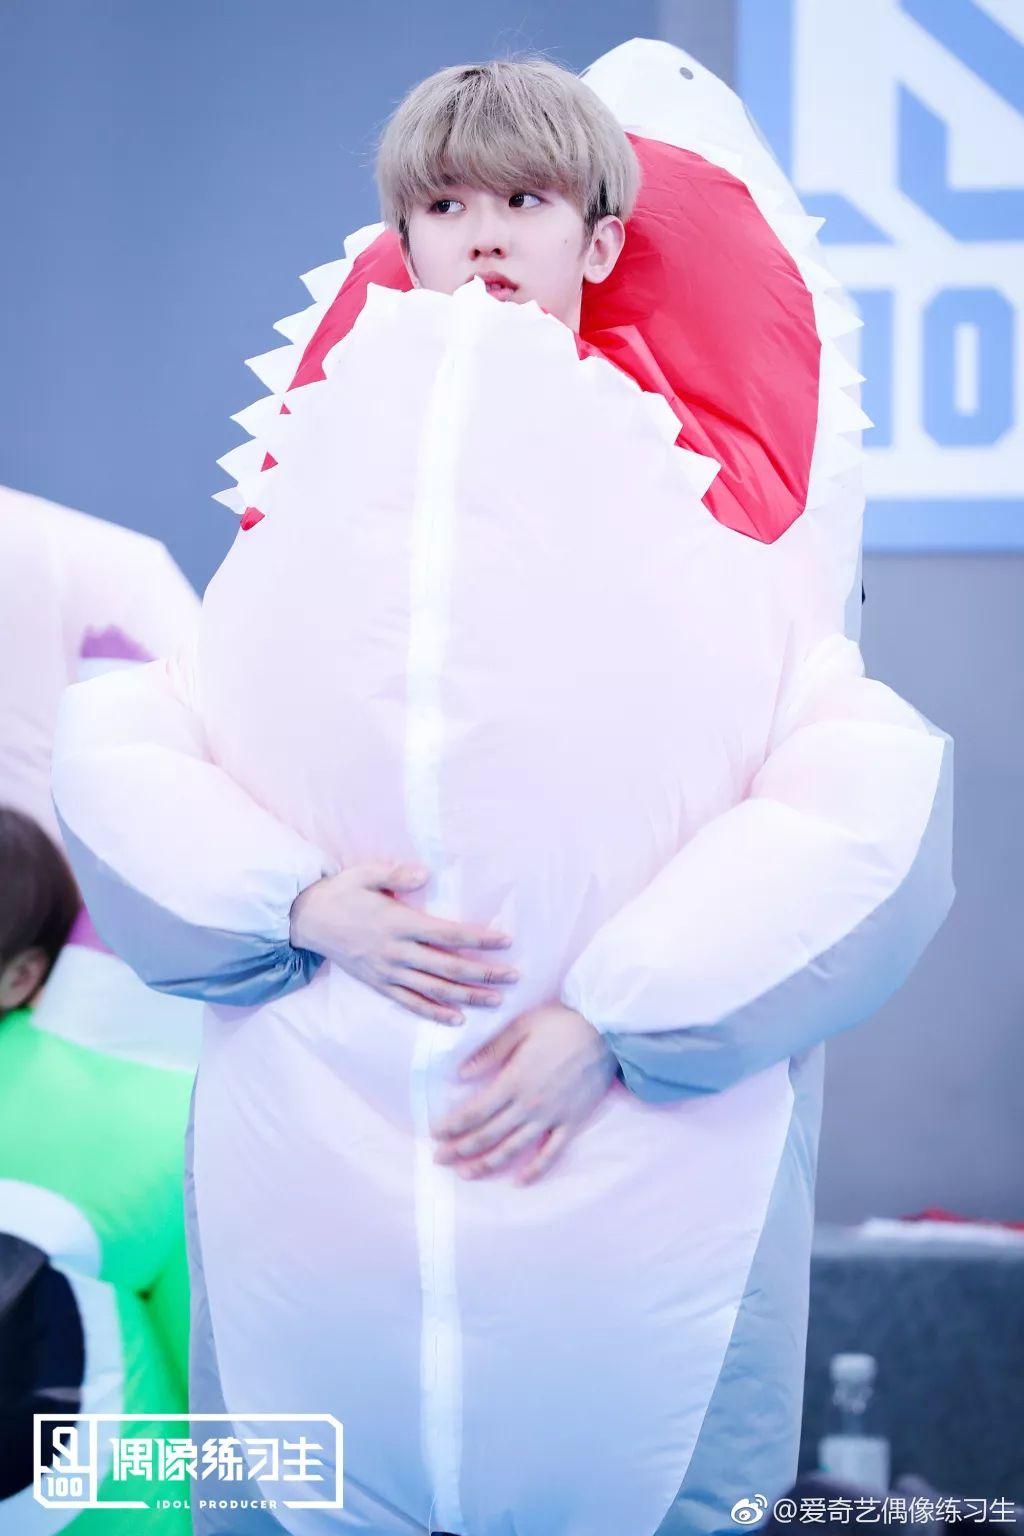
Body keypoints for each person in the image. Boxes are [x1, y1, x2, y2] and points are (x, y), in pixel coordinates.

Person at [51, 39, 954, 1536]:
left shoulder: (704, 522)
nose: (484, 234)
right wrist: (293, 901)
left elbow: (864, 800)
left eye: (526, 199)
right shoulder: (314, 501)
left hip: (627, 1198)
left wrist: (622, 1018)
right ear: (400, 237)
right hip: (319, 1200)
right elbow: (135, 741)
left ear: (599, 240)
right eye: (449, 203)